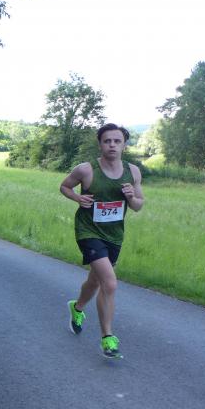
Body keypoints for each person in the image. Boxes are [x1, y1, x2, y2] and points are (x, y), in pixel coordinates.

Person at [59, 123, 144, 359]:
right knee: (110, 282)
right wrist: (77, 198)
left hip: (114, 234)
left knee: (96, 280)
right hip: (88, 231)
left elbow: (138, 205)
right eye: (107, 141)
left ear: (124, 145)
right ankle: (108, 338)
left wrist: (131, 197)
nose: (112, 145)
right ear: (100, 144)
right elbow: (64, 186)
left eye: (117, 141)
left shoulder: (133, 172)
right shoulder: (86, 170)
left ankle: (77, 307)